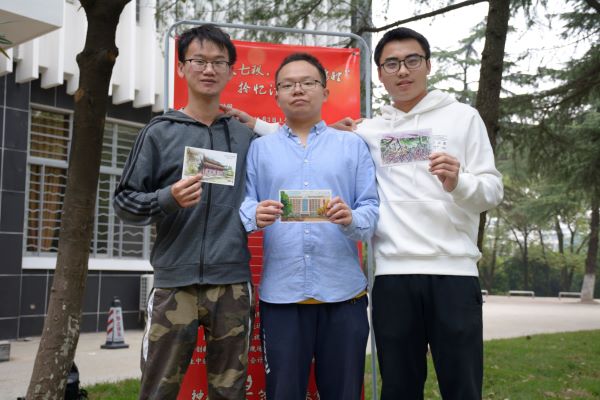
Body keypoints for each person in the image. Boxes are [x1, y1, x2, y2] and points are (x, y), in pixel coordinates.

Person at [229, 27, 503, 400]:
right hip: (392, 277)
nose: (402, 70)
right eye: (392, 63)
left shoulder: (462, 118)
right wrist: (257, 126)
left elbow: (492, 190)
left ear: (428, 65)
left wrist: (459, 182)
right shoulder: (370, 132)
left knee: (463, 388)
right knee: (399, 388)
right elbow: (307, 137)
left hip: (453, 273)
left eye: (412, 61)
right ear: (379, 73)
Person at [113, 25, 256, 400]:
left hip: (232, 284)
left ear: (230, 70)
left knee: (231, 393)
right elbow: (124, 202)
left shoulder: (245, 137)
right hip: (174, 283)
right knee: (157, 390)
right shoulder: (159, 132)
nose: (209, 69)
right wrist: (168, 198)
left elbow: (294, 147)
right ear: (181, 67)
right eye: (199, 60)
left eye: (218, 62)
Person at [239, 52, 379, 400]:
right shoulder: (259, 149)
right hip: (281, 297)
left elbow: (371, 209)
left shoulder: (352, 146)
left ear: (325, 91)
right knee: (283, 392)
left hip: (344, 295)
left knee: (345, 393)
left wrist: (352, 219)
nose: (298, 90)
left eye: (307, 82)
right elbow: (243, 203)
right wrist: (254, 214)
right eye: (288, 85)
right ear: (276, 95)